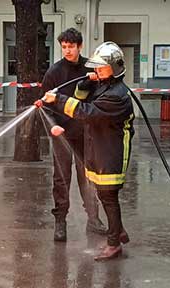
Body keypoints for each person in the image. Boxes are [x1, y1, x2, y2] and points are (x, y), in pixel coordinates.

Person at [42, 41, 134, 260]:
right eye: (96, 68)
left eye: (101, 68)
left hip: (111, 150)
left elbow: (87, 112)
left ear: (115, 68)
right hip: (101, 146)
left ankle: (114, 244)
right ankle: (118, 231)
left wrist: (59, 99)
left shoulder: (116, 94)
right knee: (104, 194)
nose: (96, 71)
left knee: (108, 196)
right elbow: (83, 98)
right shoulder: (105, 85)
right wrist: (85, 83)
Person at [41, 28, 106, 242]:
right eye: (64, 47)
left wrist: (95, 79)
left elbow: (100, 98)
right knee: (61, 179)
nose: (67, 51)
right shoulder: (54, 72)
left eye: (71, 47)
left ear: (79, 46)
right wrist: (53, 126)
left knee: (88, 177)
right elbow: (46, 103)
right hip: (61, 133)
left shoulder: (91, 69)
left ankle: (93, 219)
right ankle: (60, 222)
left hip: (85, 133)